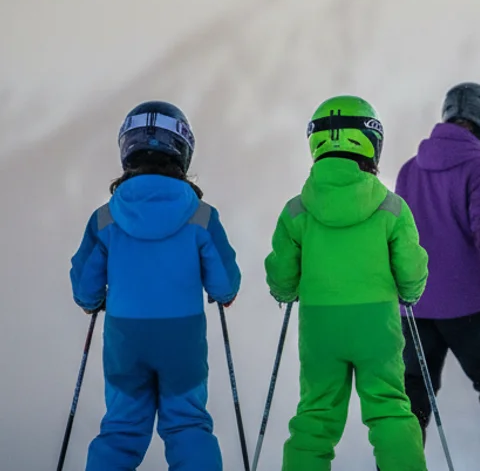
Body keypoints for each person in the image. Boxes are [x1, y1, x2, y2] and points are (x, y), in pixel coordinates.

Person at [70, 101, 241, 470]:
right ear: (183, 151)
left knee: (121, 428)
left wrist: (92, 300)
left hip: (125, 337)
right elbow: (225, 282)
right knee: (188, 424)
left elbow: (85, 285)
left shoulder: (106, 218)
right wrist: (224, 295)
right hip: (183, 337)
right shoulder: (201, 215)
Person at [265, 96, 429, 471]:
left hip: (320, 324)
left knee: (316, 415)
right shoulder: (391, 207)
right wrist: (411, 291)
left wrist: (284, 292)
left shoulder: (297, 210)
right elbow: (411, 267)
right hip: (377, 324)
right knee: (389, 409)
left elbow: (282, 273)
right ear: (371, 142)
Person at [394, 82, 480, 470]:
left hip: (414, 307)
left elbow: (400, 237)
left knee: (412, 394)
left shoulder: (409, 170)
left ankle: (398, 462)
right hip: (468, 306)